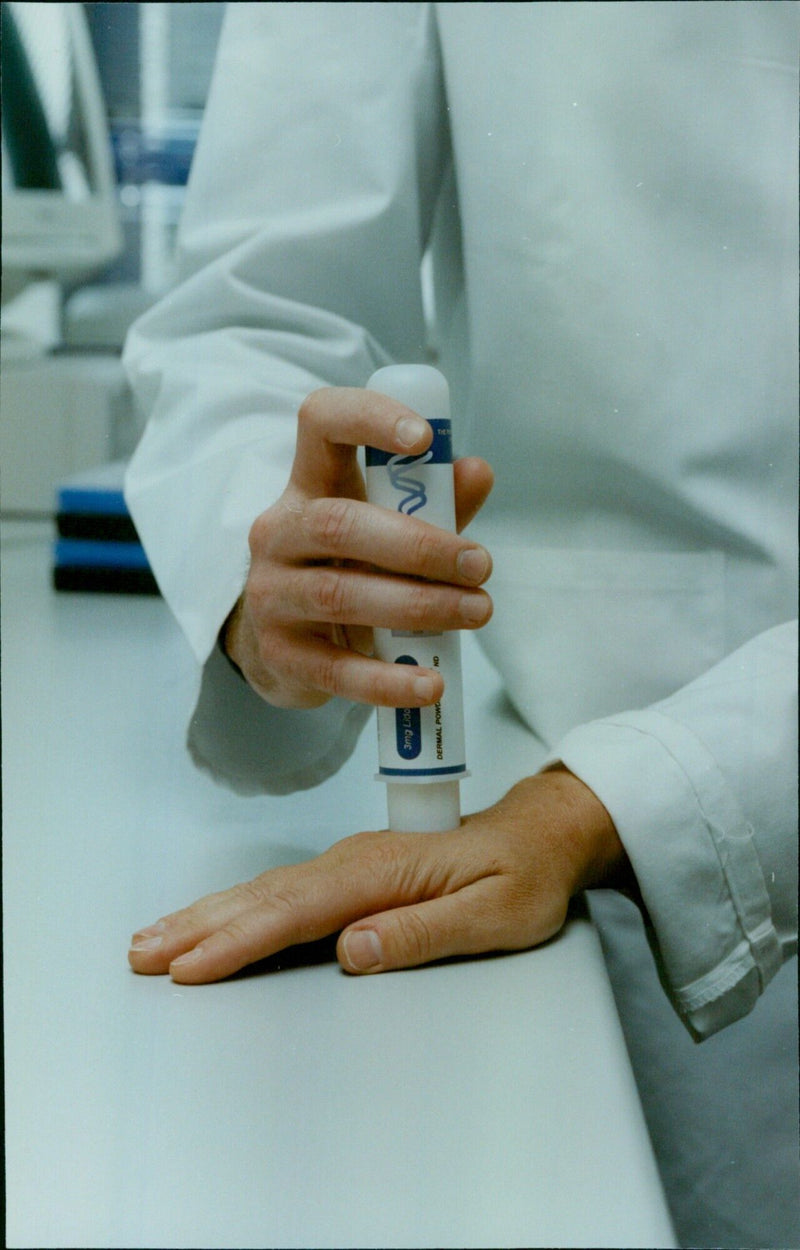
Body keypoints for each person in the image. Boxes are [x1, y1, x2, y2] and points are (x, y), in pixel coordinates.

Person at [123, 4, 798, 1245]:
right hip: (596, 887)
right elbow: (257, 313)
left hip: (583, 819)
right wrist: (271, 580)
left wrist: (599, 806)